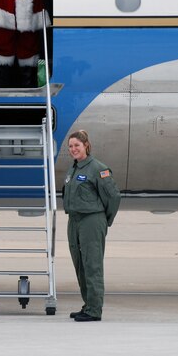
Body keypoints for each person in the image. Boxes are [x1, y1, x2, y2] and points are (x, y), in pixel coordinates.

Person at [62, 130, 121, 322]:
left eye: (77, 145)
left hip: (91, 220)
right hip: (75, 220)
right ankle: (88, 304)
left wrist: (104, 220)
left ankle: (95, 310)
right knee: (80, 263)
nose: (73, 149)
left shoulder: (98, 169)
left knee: (92, 264)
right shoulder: (74, 169)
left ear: (86, 145)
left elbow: (113, 197)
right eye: (70, 146)